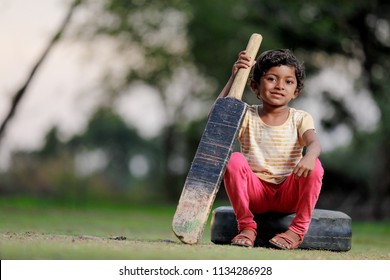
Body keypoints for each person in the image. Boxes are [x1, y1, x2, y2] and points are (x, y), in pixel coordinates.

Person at [217, 48, 324, 250]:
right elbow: (218, 124)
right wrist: (234, 77)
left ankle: (297, 231)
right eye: (272, 79)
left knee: (316, 165)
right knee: (234, 160)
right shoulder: (246, 115)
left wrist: (309, 156)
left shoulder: (300, 118)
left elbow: (314, 144)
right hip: (255, 194)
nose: (279, 86)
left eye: (288, 82)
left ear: (296, 92)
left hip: (287, 194)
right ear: (255, 86)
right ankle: (247, 227)